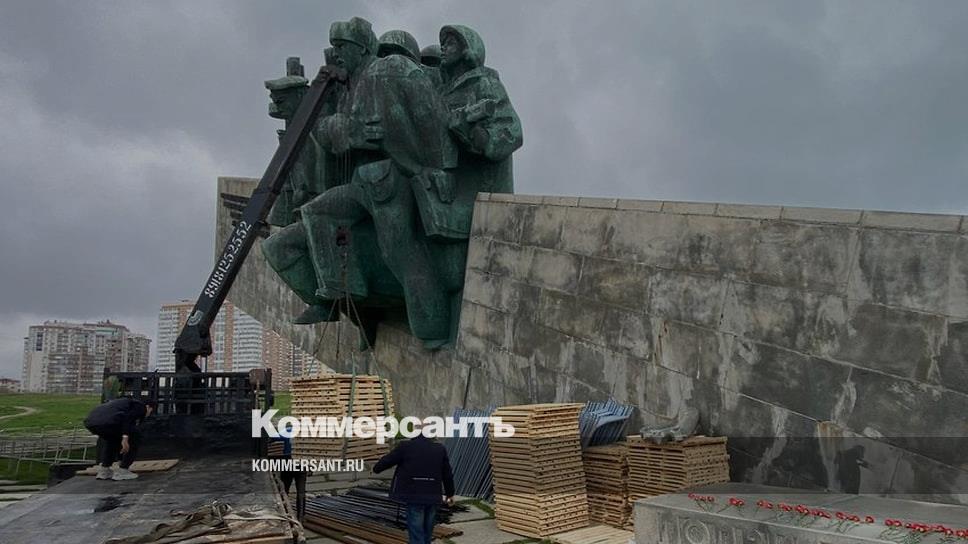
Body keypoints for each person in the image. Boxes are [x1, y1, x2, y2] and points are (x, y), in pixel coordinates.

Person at [373, 425, 455, 544]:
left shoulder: (405, 447)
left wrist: (376, 469)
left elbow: (387, 461)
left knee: (417, 534)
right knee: (427, 533)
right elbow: (447, 473)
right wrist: (450, 493)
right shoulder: (439, 449)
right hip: (433, 496)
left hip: (414, 496)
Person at [83, 397, 155, 480]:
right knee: (135, 438)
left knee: (112, 441)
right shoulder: (141, 406)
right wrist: (125, 438)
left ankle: (104, 470)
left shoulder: (121, 403)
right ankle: (123, 470)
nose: (149, 414)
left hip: (92, 422)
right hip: (110, 421)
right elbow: (128, 420)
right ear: (148, 407)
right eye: (151, 411)